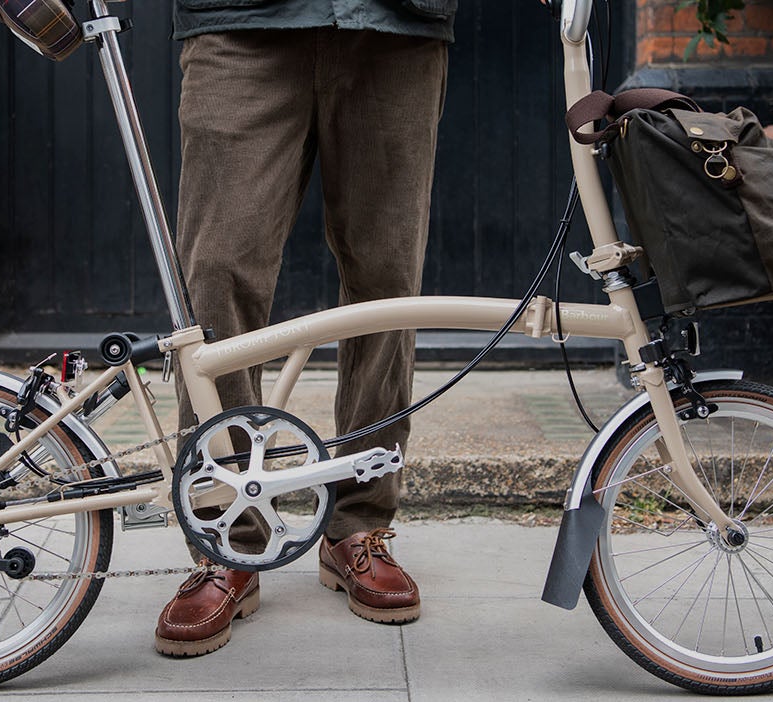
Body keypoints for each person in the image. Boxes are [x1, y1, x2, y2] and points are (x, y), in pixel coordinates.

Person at [156, 0, 456, 658]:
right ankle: (227, 537)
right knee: (217, 278)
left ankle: (358, 525)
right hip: (238, 25)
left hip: (394, 28)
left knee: (386, 284)